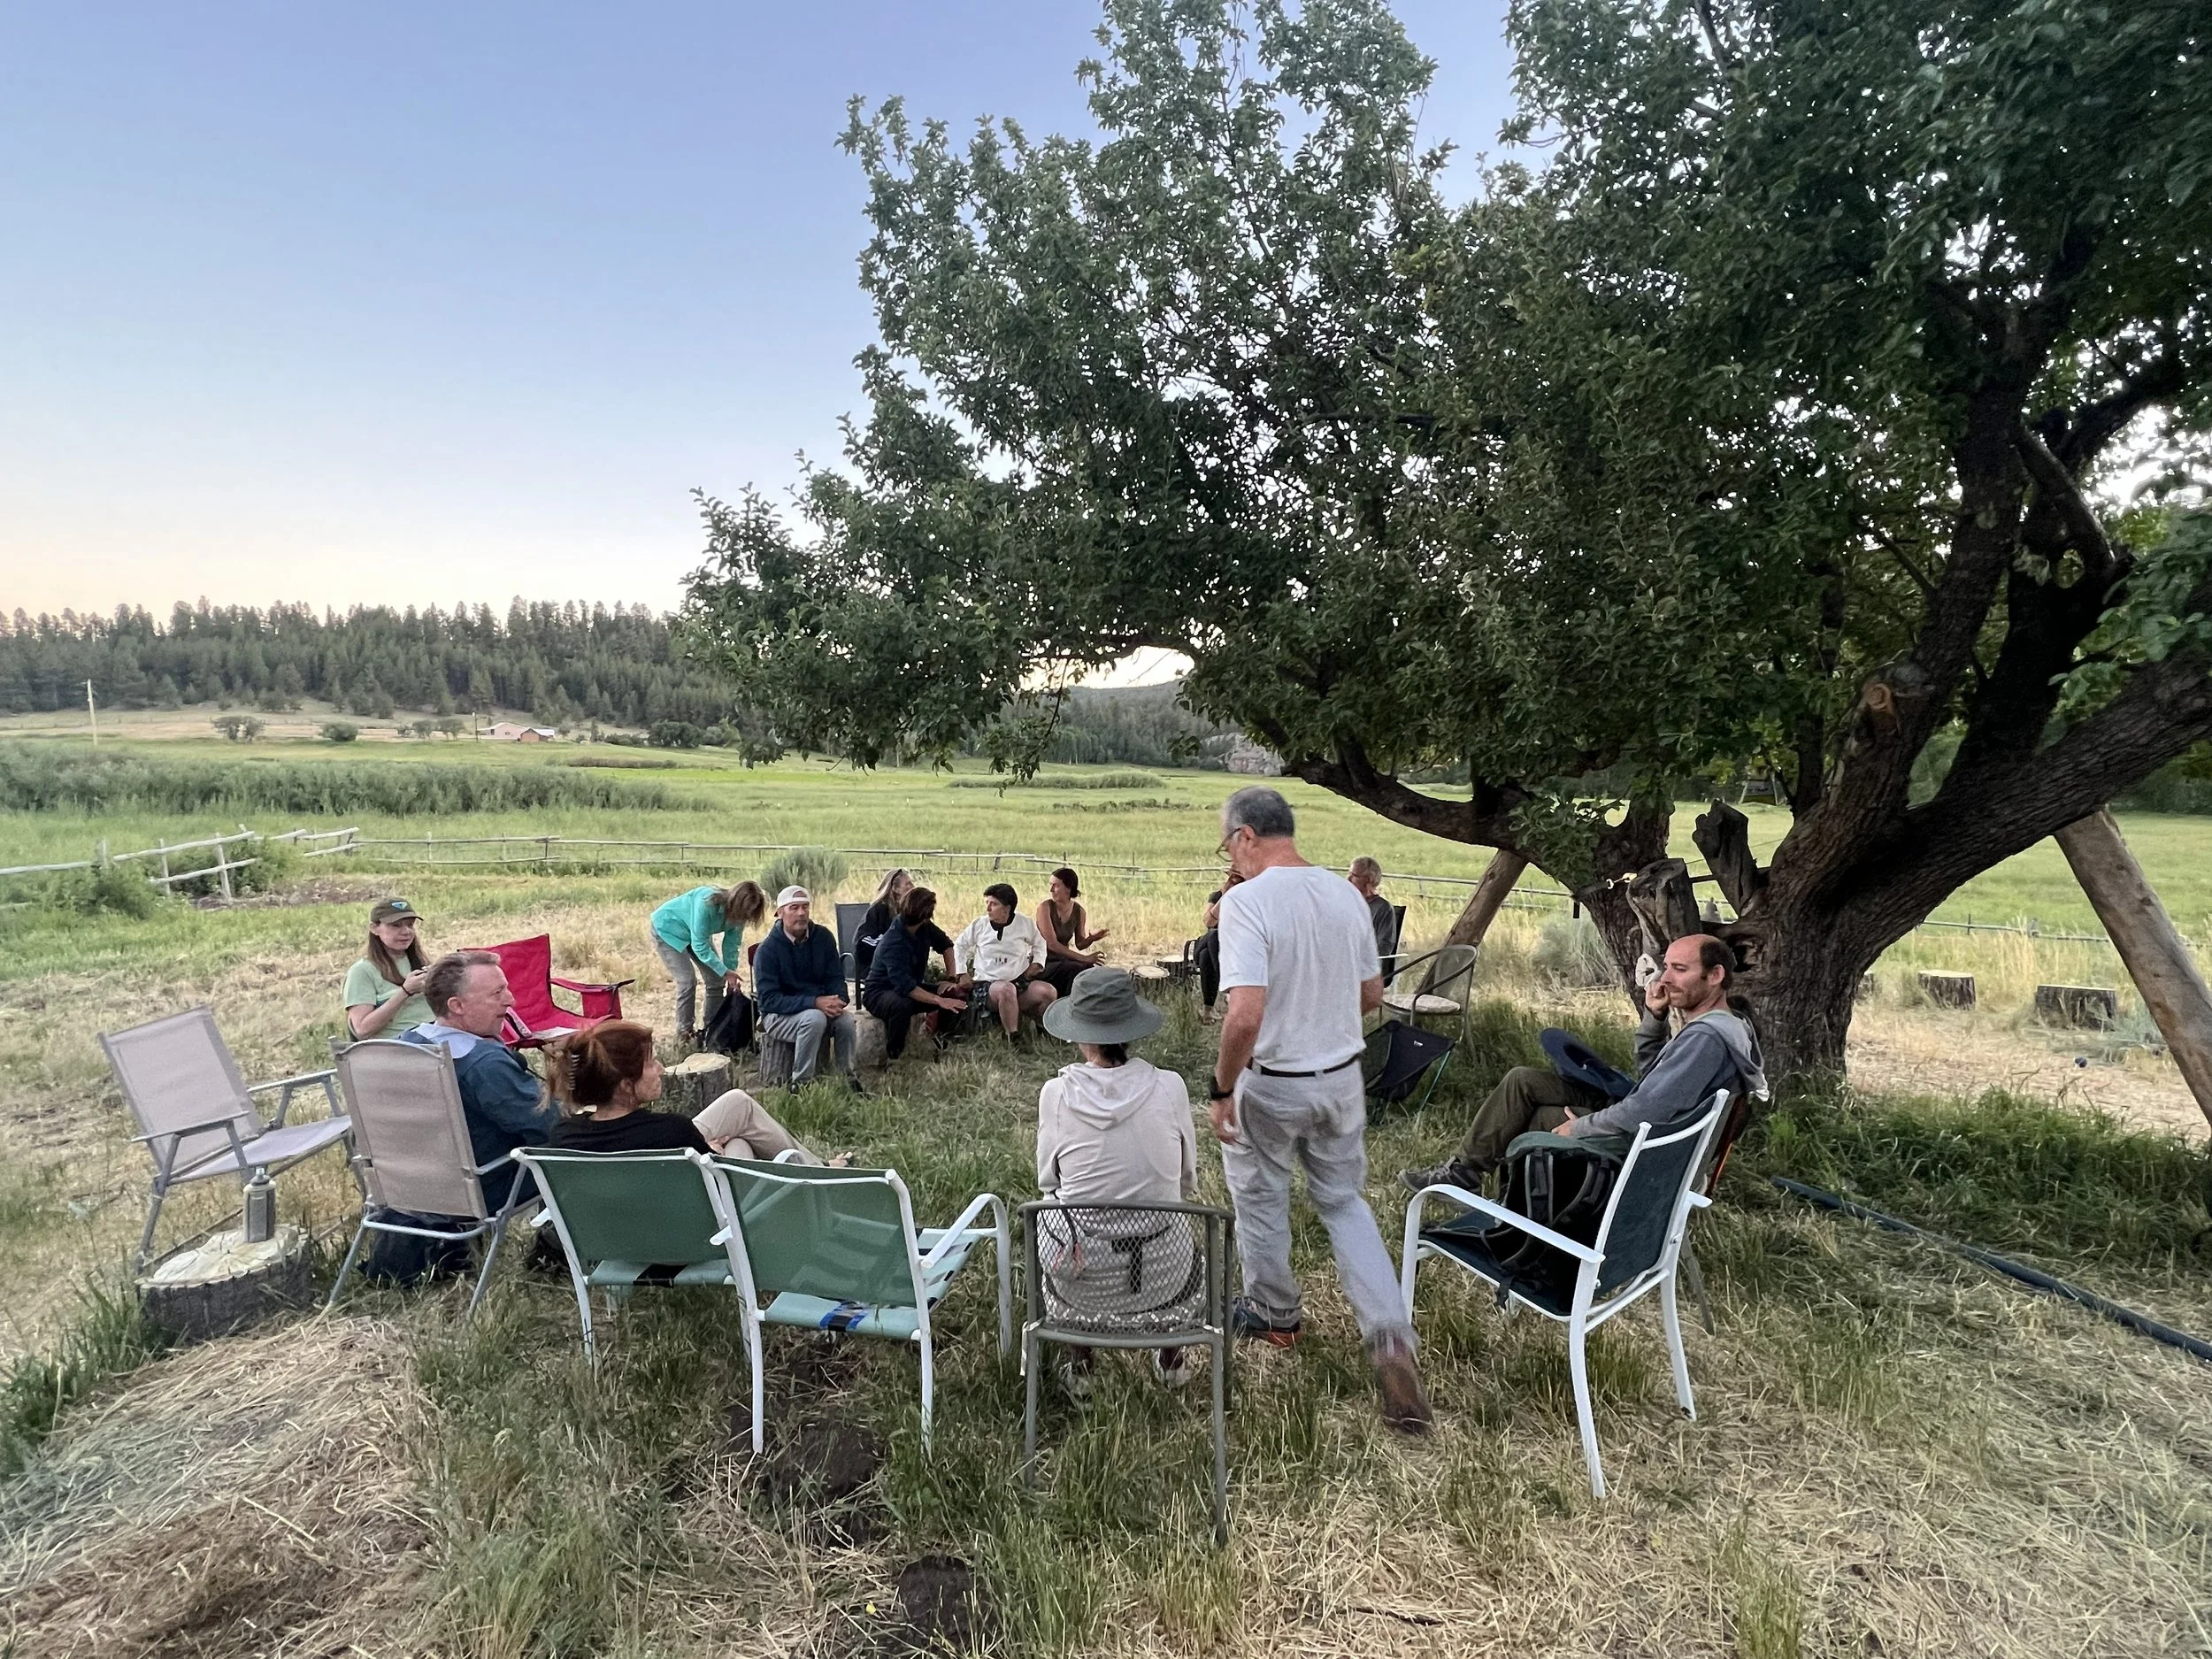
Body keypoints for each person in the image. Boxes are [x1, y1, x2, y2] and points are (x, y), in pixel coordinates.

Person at [1208, 786, 1432, 1435]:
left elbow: (1245, 1013)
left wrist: (1222, 1087)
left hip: (1272, 1080)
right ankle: (1389, 1336)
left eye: (1228, 844)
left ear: (1246, 835)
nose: (1231, 856)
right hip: (1341, 1076)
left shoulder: (1246, 903)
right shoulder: (1345, 894)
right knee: (1344, 1202)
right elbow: (1371, 993)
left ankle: (1275, 1315)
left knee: (1260, 1192)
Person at [1399, 933, 1768, 1194]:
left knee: (1543, 1120)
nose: (1666, 979)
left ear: (1715, 975)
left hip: (1648, 1147)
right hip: (1647, 1124)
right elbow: (1651, 1078)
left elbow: (1646, 1110)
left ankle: (1520, 1210)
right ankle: (1464, 1173)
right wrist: (1654, 1017)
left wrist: (1582, 1128)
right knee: (1523, 1080)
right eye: (1666, 967)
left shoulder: (1705, 1039)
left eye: (1680, 969)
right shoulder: (1728, 1026)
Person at [1036, 966, 1202, 1394]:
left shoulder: (1055, 1095)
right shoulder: (1171, 1087)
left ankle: (1084, 1369)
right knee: (1174, 1216)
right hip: (1167, 1278)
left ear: (1080, 1032)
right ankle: (1171, 1361)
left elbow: (1047, 1181)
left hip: (1082, 1284)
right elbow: (1187, 1180)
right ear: (1131, 1029)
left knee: (1059, 1211)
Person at [545, 1019, 836, 1162]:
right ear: (625, 1086)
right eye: (651, 1063)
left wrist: (706, 1149)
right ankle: (821, 1177)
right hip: (697, 1239)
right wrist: (710, 1152)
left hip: (620, 1235)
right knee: (738, 1146)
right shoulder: (672, 1133)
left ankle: (821, 1168)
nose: (660, 1069)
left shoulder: (564, 1138)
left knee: (737, 1107)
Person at [400, 950, 557, 1210]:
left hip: (409, 1190)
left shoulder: (404, 1044)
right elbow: (549, 1124)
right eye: (497, 993)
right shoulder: (482, 1064)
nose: (511, 1000)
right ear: (457, 1006)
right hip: (484, 1187)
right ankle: (556, 1242)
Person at [753, 886, 863, 1089]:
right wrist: (814, 1002)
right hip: (778, 1016)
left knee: (846, 1021)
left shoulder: (823, 937)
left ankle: (847, 1080)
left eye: (805, 907)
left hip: (818, 1008)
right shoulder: (768, 950)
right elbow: (768, 1001)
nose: (801, 913)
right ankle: (801, 1084)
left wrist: (839, 998)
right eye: (794, 908)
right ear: (780, 913)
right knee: (814, 1018)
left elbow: (835, 976)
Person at [862, 886, 964, 1060]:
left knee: (955, 995)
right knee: (902, 1004)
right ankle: (894, 1056)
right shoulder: (893, 941)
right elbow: (905, 987)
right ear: (926, 915)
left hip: (910, 987)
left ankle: (941, 1045)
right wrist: (939, 1000)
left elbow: (947, 946)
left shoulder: (925, 927)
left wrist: (951, 979)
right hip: (879, 992)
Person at [952, 883, 1058, 1035]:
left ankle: (1045, 1031)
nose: (988, 908)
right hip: (988, 986)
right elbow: (959, 945)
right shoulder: (979, 925)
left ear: (1007, 908)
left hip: (1019, 983)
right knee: (1006, 990)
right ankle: (1013, 1037)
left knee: (1048, 992)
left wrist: (1037, 963)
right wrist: (962, 972)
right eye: (987, 903)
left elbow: (1040, 943)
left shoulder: (1024, 923)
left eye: (994, 904)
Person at [344, 896, 434, 1038]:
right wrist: (405, 992)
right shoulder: (362, 971)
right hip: (398, 1047)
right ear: (374, 928)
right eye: (396, 925)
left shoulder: (420, 961)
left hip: (435, 1034)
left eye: (410, 925)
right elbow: (362, 1029)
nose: (406, 931)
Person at [1036, 866, 1110, 995]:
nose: (1051, 890)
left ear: (1068, 888)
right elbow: (1052, 944)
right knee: (1076, 968)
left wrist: (1091, 939)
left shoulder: (1079, 911)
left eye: (1056, 886)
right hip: (1044, 961)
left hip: (1063, 960)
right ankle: (1066, 1006)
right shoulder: (1045, 907)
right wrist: (1084, 958)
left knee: (1089, 970)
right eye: (1051, 885)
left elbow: (1080, 944)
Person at [853, 867, 917, 987]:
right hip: (876, 969)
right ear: (895, 888)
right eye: (908, 884)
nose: (913, 887)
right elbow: (862, 943)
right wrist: (890, 939)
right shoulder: (878, 910)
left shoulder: (908, 911)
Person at [1348, 856, 1398, 967]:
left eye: (1354, 875)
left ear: (1368, 879)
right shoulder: (1346, 903)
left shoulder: (1383, 909)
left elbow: (1384, 947)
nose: (1348, 879)